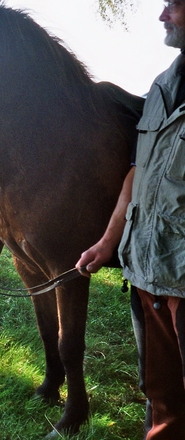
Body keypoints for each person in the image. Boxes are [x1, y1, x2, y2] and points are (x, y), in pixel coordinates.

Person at [76, 1, 185, 438]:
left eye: (174, 5)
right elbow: (139, 172)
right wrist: (107, 242)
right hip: (147, 271)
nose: (162, 16)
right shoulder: (161, 86)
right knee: (162, 395)